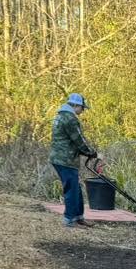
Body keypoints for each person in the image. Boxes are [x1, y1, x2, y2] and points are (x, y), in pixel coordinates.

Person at [50, 93, 100, 227]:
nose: (82, 111)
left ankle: (78, 216)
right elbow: (79, 140)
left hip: (59, 158)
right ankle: (69, 219)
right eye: (82, 108)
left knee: (75, 188)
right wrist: (92, 153)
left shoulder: (60, 116)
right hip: (65, 159)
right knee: (71, 189)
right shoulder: (70, 119)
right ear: (76, 105)